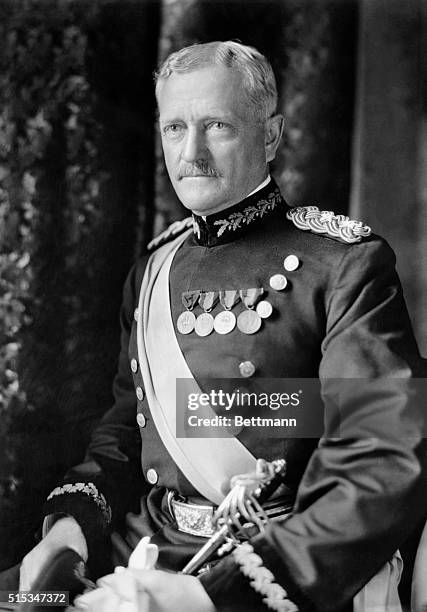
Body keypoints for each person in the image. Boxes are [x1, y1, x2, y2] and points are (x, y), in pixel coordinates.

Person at [15, 41, 426, 611]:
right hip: (146, 549)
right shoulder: (153, 270)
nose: (192, 153)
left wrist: (215, 596)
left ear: (271, 136)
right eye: (175, 128)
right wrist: (70, 527)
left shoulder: (342, 264)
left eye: (217, 127)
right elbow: (127, 432)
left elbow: (382, 457)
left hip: (271, 568)